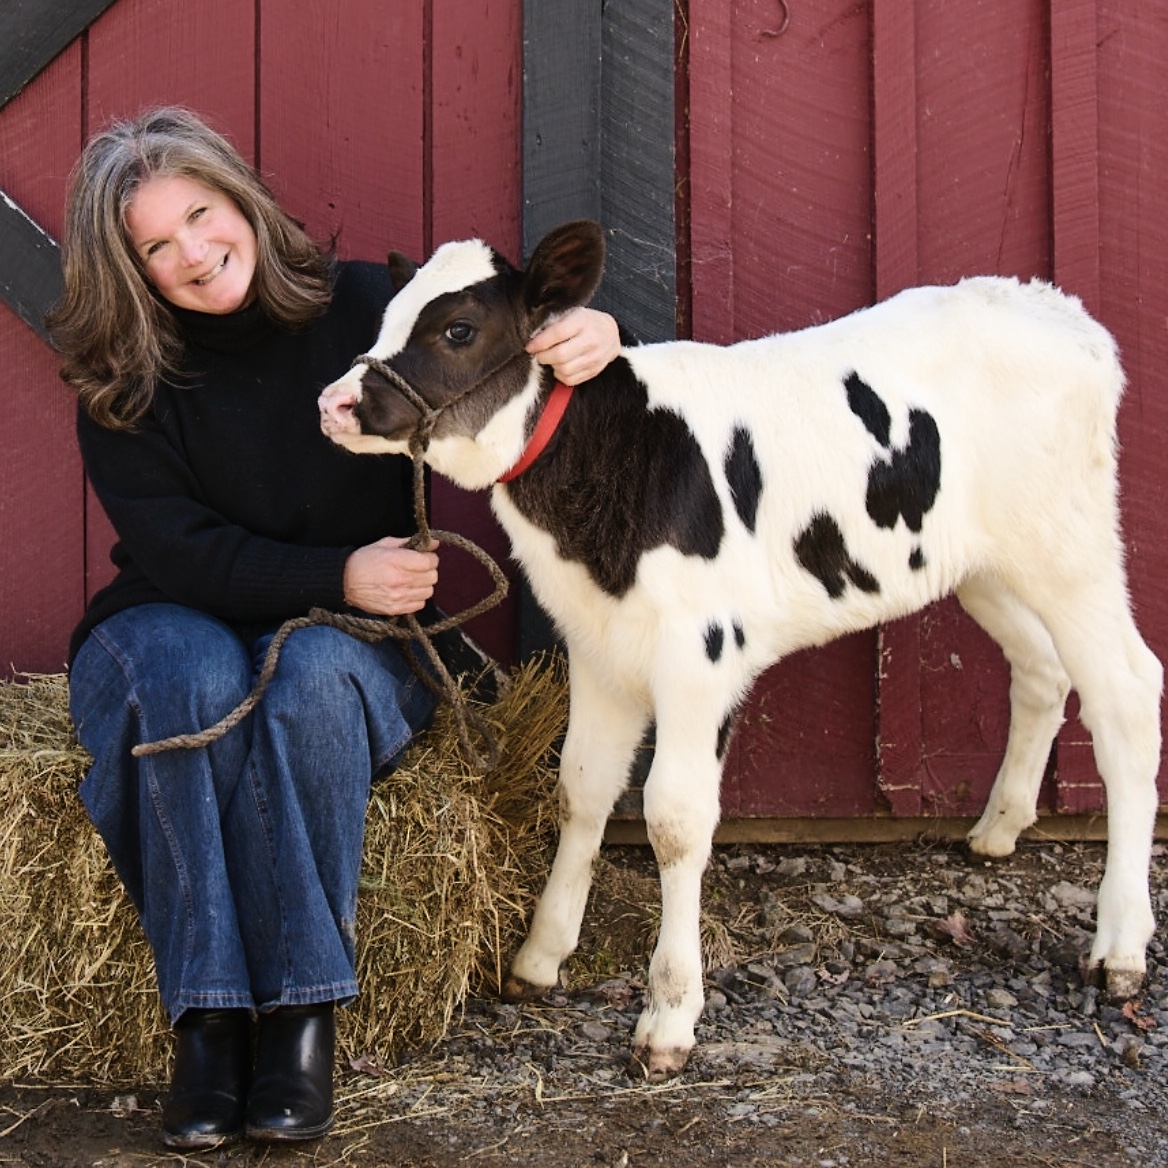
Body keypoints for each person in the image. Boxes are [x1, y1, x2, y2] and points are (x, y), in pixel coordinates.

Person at [47, 106, 620, 1150]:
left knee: (309, 667)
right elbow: (177, 552)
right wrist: (338, 570)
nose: (193, 252)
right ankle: (211, 1021)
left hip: (348, 635)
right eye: (155, 246)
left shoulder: (368, 308)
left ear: (242, 202)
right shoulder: (122, 382)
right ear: (126, 270)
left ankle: (302, 1016)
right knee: (186, 667)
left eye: (203, 215)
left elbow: (502, 341)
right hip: (169, 616)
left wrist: (594, 338)